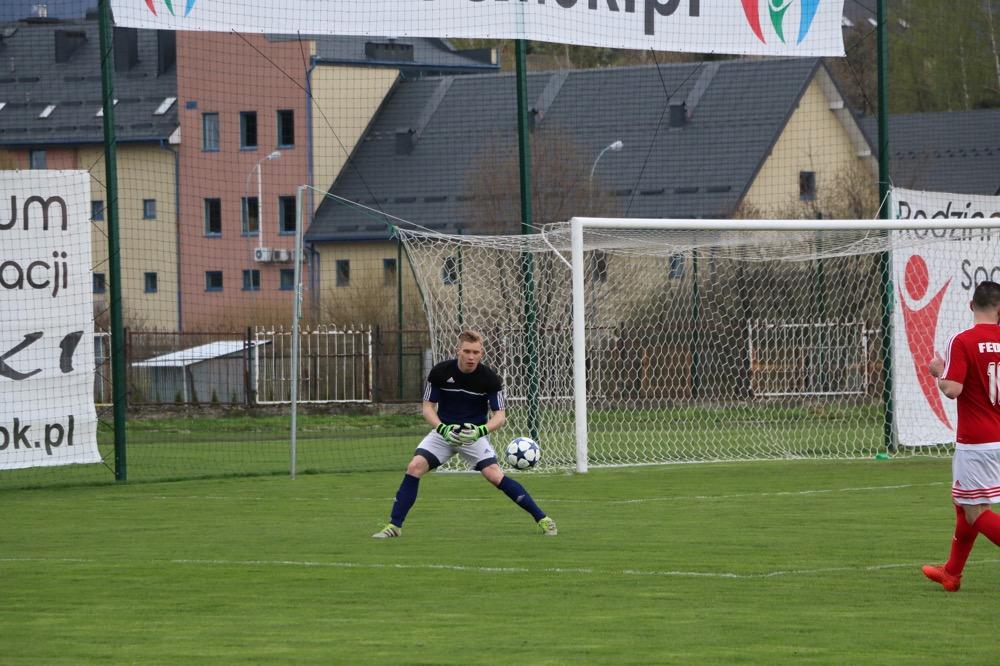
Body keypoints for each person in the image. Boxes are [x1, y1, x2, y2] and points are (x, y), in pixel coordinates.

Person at [373, 330, 557, 538]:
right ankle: (394, 526)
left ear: (481, 353)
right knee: (415, 466)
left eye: (476, 352)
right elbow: (427, 408)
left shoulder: (490, 379)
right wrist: (442, 428)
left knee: (494, 475)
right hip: (444, 433)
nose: (471, 357)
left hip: (473, 436)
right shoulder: (440, 372)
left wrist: (480, 431)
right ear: (458, 351)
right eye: (467, 351)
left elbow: (500, 417)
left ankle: (543, 519)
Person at [922, 280, 1000, 591]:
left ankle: (952, 573)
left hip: (977, 442)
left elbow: (953, 389)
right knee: (964, 504)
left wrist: (938, 372)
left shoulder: (962, 340)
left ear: (971, 305)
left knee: (975, 511)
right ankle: (952, 573)